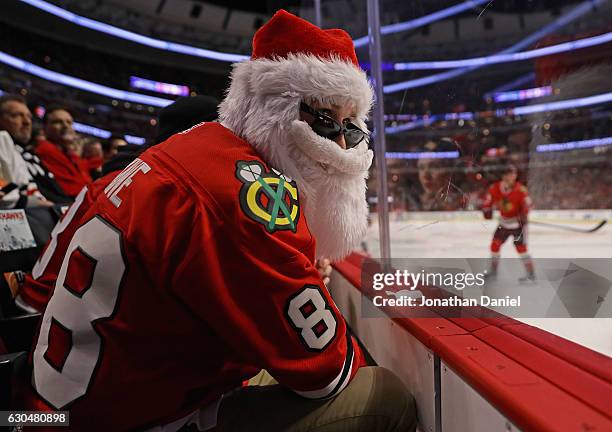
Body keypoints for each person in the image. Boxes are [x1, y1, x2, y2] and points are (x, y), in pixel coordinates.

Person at [24, 10, 416, 432]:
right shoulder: (246, 194)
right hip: (124, 421)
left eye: (351, 129)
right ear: (274, 110)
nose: (341, 143)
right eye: (323, 120)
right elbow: (326, 371)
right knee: (383, 395)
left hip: (52, 408)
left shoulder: (195, 150)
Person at [482, 163, 535, 282]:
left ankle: (531, 274)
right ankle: (493, 272)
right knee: (494, 245)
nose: (512, 177)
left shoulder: (521, 190)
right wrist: (486, 209)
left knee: (521, 248)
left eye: (514, 175)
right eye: (510, 175)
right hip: (504, 224)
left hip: (518, 226)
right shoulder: (495, 188)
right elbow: (488, 200)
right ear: (504, 176)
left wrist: (523, 214)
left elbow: (528, 205)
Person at [0, 95, 53, 208]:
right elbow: (3, 188)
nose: (27, 122)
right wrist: (33, 202)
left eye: (29, 116)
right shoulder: (2, 138)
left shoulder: (20, 151)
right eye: (16, 115)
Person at [35, 106, 92, 198]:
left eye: (69, 122)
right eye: (58, 122)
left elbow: (87, 183)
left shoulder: (69, 152)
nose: (66, 126)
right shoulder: (45, 149)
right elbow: (76, 189)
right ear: (45, 128)